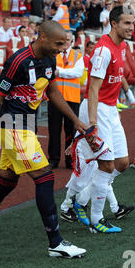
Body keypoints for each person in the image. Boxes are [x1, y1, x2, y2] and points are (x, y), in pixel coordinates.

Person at [0, 20, 88, 258]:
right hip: (13, 125)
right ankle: (56, 242)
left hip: (25, 125)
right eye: (58, 43)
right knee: (45, 176)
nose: (62, 48)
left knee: (7, 181)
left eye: (64, 44)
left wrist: (76, 120)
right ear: (42, 37)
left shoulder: (50, 59)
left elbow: (52, 92)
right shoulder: (17, 61)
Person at [66, 6, 135, 233]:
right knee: (105, 165)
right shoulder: (103, 50)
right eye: (126, 23)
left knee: (122, 163)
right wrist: (93, 123)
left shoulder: (123, 45)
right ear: (113, 23)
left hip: (111, 109)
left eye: (132, 23)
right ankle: (96, 220)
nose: (130, 28)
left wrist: (127, 92)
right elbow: (92, 89)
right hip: (96, 109)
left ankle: (80, 199)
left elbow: (118, 75)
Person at [48, 31, 84, 170]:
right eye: (63, 39)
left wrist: (60, 72)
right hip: (55, 97)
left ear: (72, 42)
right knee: (54, 129)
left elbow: (78, 72)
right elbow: (50, 70)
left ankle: (71, 160)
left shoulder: (78, 56)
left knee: (71, 130)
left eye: (68, 40)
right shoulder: (53, 54)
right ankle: (54, 159)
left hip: (72, 98)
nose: (65, 42)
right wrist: (62, 71)